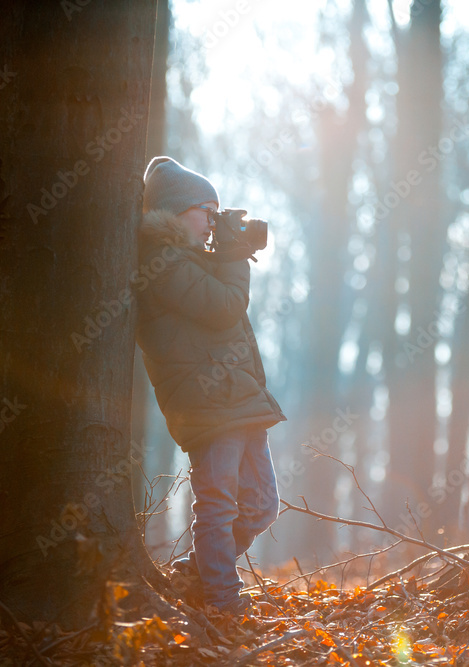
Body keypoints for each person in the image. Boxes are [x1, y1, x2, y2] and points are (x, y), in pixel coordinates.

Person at [136, 156, 286, 616]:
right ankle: (222, 601)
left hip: (238, 401)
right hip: (206, 405)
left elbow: (226, 316)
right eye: (207, 211)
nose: (212, 223)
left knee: (261, 506)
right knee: (218, 507)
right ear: (176, 213)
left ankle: (196, 572)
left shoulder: (190, 261)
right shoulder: (161, 263)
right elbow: (225, 308)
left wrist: (228, 251)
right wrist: (234, 254)